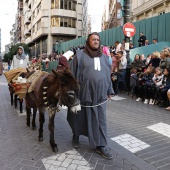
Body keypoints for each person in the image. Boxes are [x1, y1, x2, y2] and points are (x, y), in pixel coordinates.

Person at [67, 32, 113, 160]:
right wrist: (71, 93)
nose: (96, 41)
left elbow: (107, 76)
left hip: (100, 96)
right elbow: (71, 75)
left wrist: (109, 90)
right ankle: (76, 135)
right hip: (83, 94)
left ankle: (101, 145)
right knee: (78, 117)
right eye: (93, 39)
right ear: (88, 41)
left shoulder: (104, 58)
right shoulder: (80, 56)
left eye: (98, 39)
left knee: (101, 120)